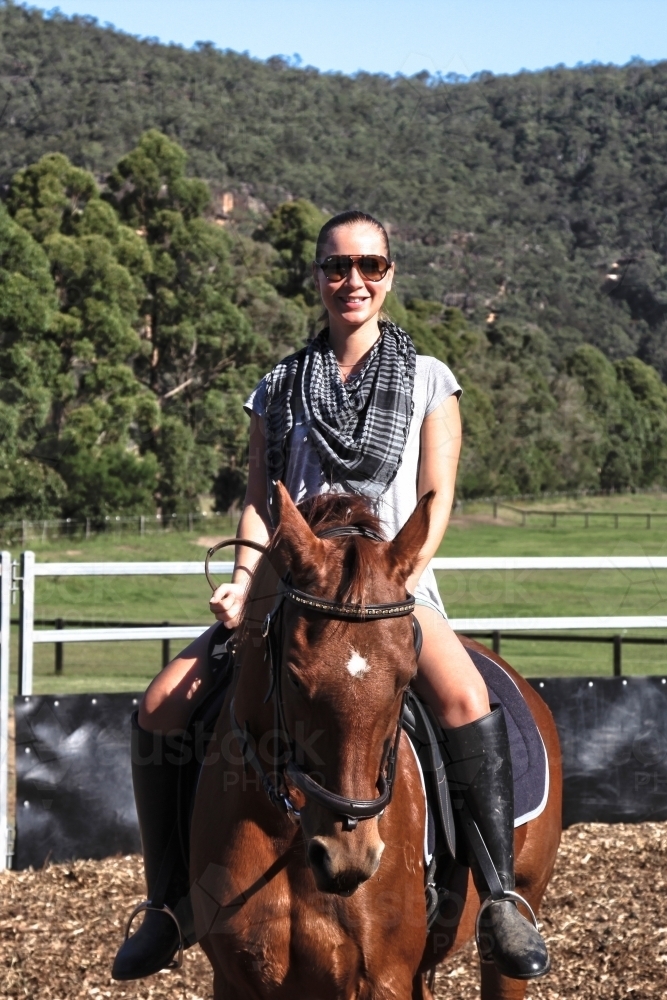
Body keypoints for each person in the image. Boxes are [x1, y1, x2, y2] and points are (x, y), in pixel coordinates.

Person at [112, 210, 550, 982]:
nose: (353, 281)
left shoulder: (428, 378)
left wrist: (401, 578)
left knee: (463, 702)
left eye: (369, 266)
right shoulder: (278, 385)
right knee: (159, 707)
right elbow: (257, 499)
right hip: (295, 587)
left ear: (388, 275)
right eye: (336, 267)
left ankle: (501, 899)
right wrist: (244, 583)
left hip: (390, 584)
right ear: (315, 277)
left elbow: (436, 496)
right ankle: (168, 904)